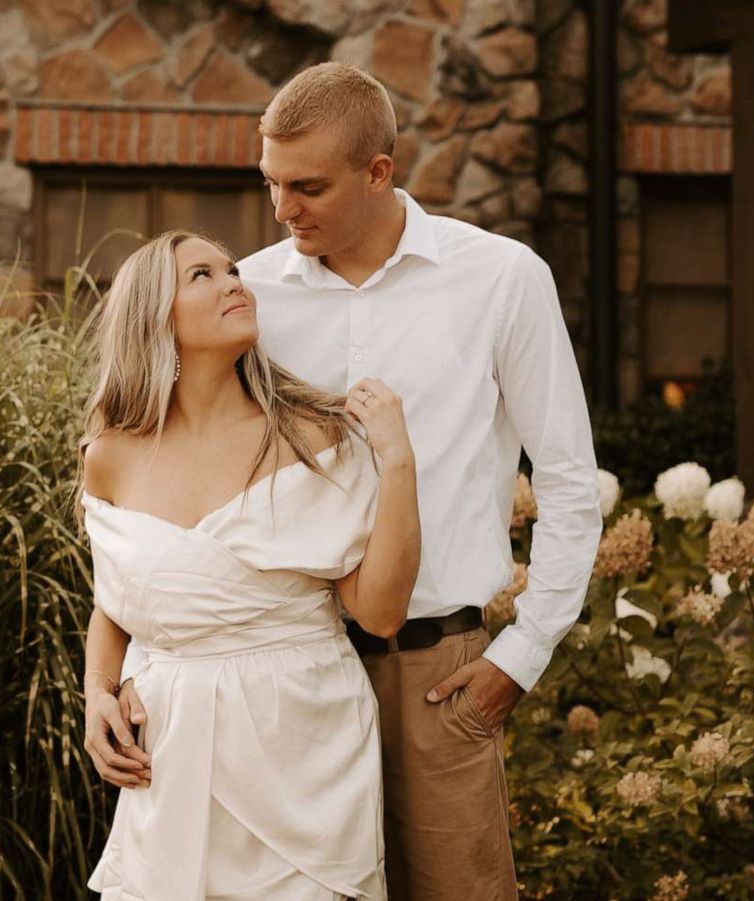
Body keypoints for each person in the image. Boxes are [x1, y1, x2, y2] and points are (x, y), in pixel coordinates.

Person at [99, 64, 604, 899]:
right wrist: (119, 673)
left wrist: (523, 650)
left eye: (307, 186)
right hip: (275, 683)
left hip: (431, 672)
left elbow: (569, 482)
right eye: (270, 184)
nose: (282, 209)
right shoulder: (245, 296)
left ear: (379, 173)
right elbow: (168, 505)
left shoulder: (503, 279)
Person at [78, 229, 421, 900]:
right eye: (201, 275)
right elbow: (118, 597)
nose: (234, 281)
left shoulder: (312, 435)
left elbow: (379, 612)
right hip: (170, 746)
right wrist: (96, 691)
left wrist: (399, 461)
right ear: (156, 315)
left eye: (232, 269)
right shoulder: (110, 454)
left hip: (304, 741)